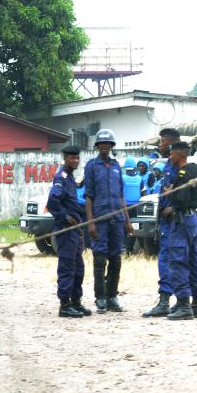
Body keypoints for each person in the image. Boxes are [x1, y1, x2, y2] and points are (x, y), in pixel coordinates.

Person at [161, 141, 197, 320]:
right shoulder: (195, 170)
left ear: (180, 154)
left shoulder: (183, 173)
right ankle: (196, 304)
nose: (170, 157)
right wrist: (195, 205)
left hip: (182, 221)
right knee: (193, 261)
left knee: (178, 261)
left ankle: (184, 305)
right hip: (192, 219)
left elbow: (182, 199)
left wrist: (172, 200)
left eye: (172, 154)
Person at [83, 129, 133, 314]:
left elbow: (121, 196)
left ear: (112, 146)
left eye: (108, 144)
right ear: (97, 146)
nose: (104, 147)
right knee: (100, 259)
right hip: (100, 220)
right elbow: (88, 196)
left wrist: (127, 220)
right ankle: (100, 297)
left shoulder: (116, 167)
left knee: (116, 259)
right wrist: (91, 223)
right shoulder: (91, 166)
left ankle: (112, 296)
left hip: (117, 220)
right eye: (101, 144)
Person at [47, 145, 90, 318]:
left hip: (75, 229)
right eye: (72, 158)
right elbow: (52, 202)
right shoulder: (61, 177)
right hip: (66, 230)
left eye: (77, 158)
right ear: (65, 159)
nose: (75, 161)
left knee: (78, 267)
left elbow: (71, 202)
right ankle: (65, 305)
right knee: (67, 267)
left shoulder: (71, 178)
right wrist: (65, 217)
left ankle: (75, 302)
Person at [143, 128, 182, 317]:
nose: (159, 145)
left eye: (162, 142)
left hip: (174, 222)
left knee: (168, 260)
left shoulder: (180, 166)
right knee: (168, 260)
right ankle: (177, 300)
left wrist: (174, 208)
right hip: (164, 222)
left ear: (171, 142)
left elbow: (188, 193)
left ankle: (167, 301)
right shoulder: (167, 164)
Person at [122, 157, 144, 251]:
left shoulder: (122, 178)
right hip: (131, 208)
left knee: (132, 228)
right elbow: (143, 193)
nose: (129, 172)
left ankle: (128, 248)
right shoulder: (140, 179)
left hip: (128, 208)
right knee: (130, 228)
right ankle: (126, 248)